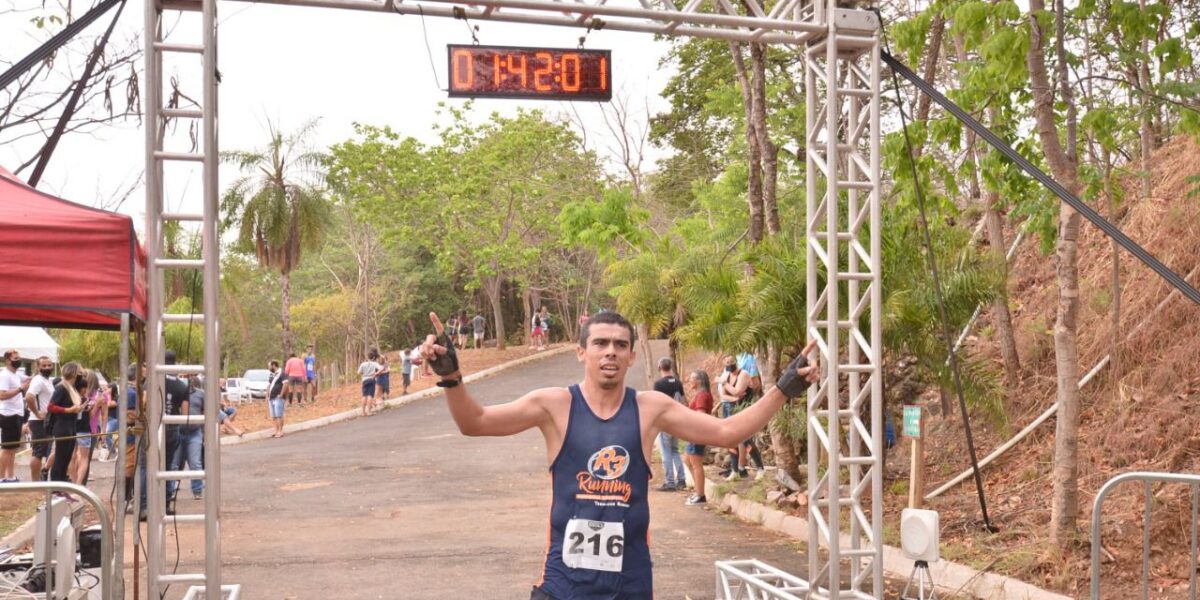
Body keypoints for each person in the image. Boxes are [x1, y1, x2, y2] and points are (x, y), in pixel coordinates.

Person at [420, 310, 818, 599]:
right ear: (581, 352)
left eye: (620, 345)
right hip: (563, 587)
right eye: (600, 343)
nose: (610, 352)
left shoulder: (649, 409)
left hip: (629, 586)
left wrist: (784, 387)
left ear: (631, 355)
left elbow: (729, 430)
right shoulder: (554, 405)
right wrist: (451, 377)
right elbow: (475, 421)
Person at [718, 355, 767, 481]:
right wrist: (734, 396)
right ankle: (734, 470)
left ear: (736, 361)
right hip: (731, 409)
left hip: (744, 410)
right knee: (731, 439)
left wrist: (724, 383)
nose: (729, 363)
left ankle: (761, 468)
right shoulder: (727, 376)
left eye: (731, 361)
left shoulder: (743, 374)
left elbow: (737, 391)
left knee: (745, 439)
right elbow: (725, 395)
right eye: (726, 361)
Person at [46, 362, 86, 488]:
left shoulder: (72, 388)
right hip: (62, 426)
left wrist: (79, 408)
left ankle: (62, 483)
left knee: (67, 457)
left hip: (71, 425)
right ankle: (55, 486)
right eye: (79, 372)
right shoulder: (61, 387)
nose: (82, 375)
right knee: (60, 458)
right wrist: (67, 410)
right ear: (73, 373)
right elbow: (51, 406)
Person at [651, 357, 686, 492]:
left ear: (660, 368)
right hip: (677, 421)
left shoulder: (658, 384)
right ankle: (681, 479)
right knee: (675, 451)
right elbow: (682, 400)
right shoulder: (678, 382)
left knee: (666, 452)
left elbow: (655, 404)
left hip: (665, 422)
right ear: (670, 367)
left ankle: (670, 481)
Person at [170, 376, 205, 501]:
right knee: (174, 464)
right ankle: (171, 490)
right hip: (178, 432)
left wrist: (204, 434)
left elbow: (205, 412)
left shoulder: (201, 395)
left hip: (195, 432)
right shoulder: (178, 393)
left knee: (195, 463)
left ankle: (197, 490)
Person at [682, 369, 715, 506]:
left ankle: (700, 495)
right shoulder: (702, 394)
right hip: (694, 433)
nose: (690, 381)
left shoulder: (701, 396)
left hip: (697, 433)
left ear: (699, 381)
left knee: (696, 464)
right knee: (688, 460)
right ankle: (698, 491)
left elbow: (701, 415)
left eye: (692, 378)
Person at [0, 350, 29, 482]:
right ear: (8, 360)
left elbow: (28, 380)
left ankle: (10, 476)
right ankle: (1, 478)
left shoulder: (16, 375)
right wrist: (20, 389)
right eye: (15, 358)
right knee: (6, 448)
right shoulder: (5, 375)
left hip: (17, 414)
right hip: (8, 414)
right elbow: (2, 395)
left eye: (19, 357)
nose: (18, 360)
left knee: (12, 448)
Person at [24, 356, 55, 481]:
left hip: (46, 421)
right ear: (38, 367)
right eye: (44, 365)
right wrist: (37, 413)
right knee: (38, 452)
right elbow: (29, 396)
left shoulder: (47, 380)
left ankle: (38, 482)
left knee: (42, 451)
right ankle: (35, 483)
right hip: (38, 421)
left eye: (49, 365)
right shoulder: (38, 380)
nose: (47, 367)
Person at [358, 350, 382, 416]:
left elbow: (358, 372)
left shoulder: (363, 364)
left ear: (367, 357)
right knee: (370, 395)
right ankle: (368, 411)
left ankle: (363, 412)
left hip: (364, 380)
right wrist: (375, 374)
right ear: (374, 357)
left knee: (364, 396)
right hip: (371, 379)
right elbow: (381, 368)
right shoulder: (374, 363)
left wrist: (364, 374)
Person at [267, 360, 287, 438]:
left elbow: (286, 384)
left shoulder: (282, 373)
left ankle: (280, 431)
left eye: (269, 366)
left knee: (279, 415)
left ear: (274, 365)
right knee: (274, 416)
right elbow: (269, 385)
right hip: (271, 398)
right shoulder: (272, 375)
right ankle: (276, 430)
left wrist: (281, 394)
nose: (268, 368)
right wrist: (267, 396)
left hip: (278, 397)